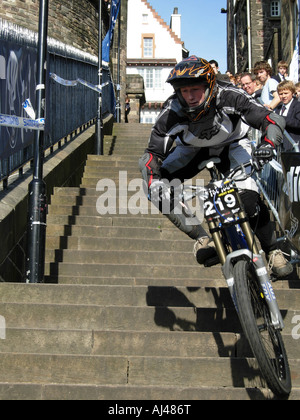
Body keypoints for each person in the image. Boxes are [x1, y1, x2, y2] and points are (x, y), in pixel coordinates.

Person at [139, 56, 293, 278]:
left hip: (232, 145)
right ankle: (203, 238)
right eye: (184, 91)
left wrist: (268, 145)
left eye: (195, 89)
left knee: (248, 201)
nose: (190, 97)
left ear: (209, 85)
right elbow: (152, 154)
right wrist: (154, 181)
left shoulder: (229, 95)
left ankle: (273, 250)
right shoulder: (171, 111)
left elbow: (270, 119)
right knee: (151, 182)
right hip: (191, 151)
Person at [275, 80, 300, 150]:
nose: (283, 96)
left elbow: (298, 123)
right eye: (281, 94)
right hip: (280, 146)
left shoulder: (297, 106)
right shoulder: (278, 108)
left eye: (286, 93)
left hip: (294, 145)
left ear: (292, 93)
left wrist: (282, 119)